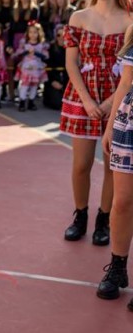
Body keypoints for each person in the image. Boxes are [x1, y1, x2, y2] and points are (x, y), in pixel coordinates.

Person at [61, 0, 133, 246]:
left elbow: (129, 73)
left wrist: (108, 103)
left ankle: (104, 219)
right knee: (81, 164)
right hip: (82, 94)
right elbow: (71, 63)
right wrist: (88, 100)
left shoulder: (130, 20)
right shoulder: (79, 17)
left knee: (112, 167)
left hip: (118, 96)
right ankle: (80, 215)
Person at [97, 24, 133, 305]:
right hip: (129, 123)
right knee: (122, 202)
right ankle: (118, 268)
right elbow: (125, 83)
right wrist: (110, 127)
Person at [14, 22, 48, 112]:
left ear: (39, 33)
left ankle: (31, 101)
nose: (32, 34)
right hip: (26, 67)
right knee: (24, 85)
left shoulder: (41, 44)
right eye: (31, 32)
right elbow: (19, 53)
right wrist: (26, 52)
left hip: (37, 68)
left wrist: (36, 53)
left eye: (35, 32)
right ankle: (22, 101)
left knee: (34, 85)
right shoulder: (24, 43)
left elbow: (45, 56)